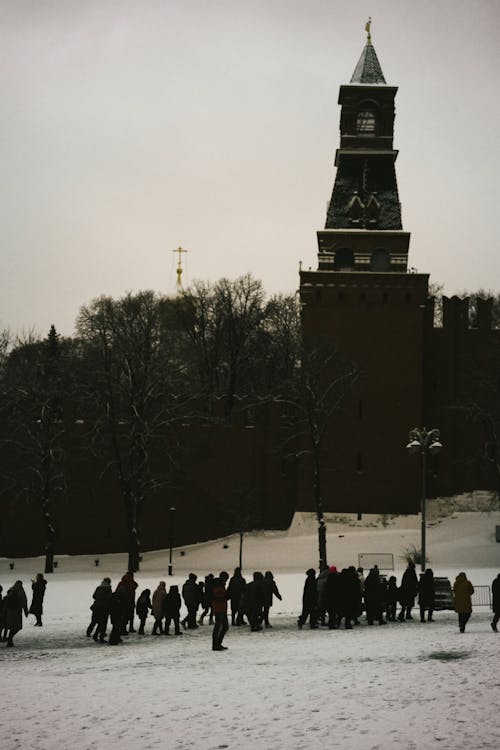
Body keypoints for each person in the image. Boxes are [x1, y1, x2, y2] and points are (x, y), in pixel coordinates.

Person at [4, 580, 28, 647]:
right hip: (17, 611)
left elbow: (6, 601)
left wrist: (4, 611)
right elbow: (24, 601)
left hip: (9, 611)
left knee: (11, 626)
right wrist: (26, 611)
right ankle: (9, 639)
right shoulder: (20, 592)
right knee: (16, 627)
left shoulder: (11, 590)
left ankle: (9, 639)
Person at [91, 577, 112, 643]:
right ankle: (101, 638)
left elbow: (94, 596)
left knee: (98, 622)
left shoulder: (98, 587)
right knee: (103, 623)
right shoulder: (108, 589)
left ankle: (96, 635)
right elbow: (109, 598)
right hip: (104, 608)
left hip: (96, 607)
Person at [212, 571, 229, 651]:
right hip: (219, 608)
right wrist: (226, 596)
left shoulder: (220, 585)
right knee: (219, 627)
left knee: (223, 626)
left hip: (221, 608)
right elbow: (219, 596)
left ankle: (217, 643)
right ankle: (216, 644)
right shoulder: (218, 585)